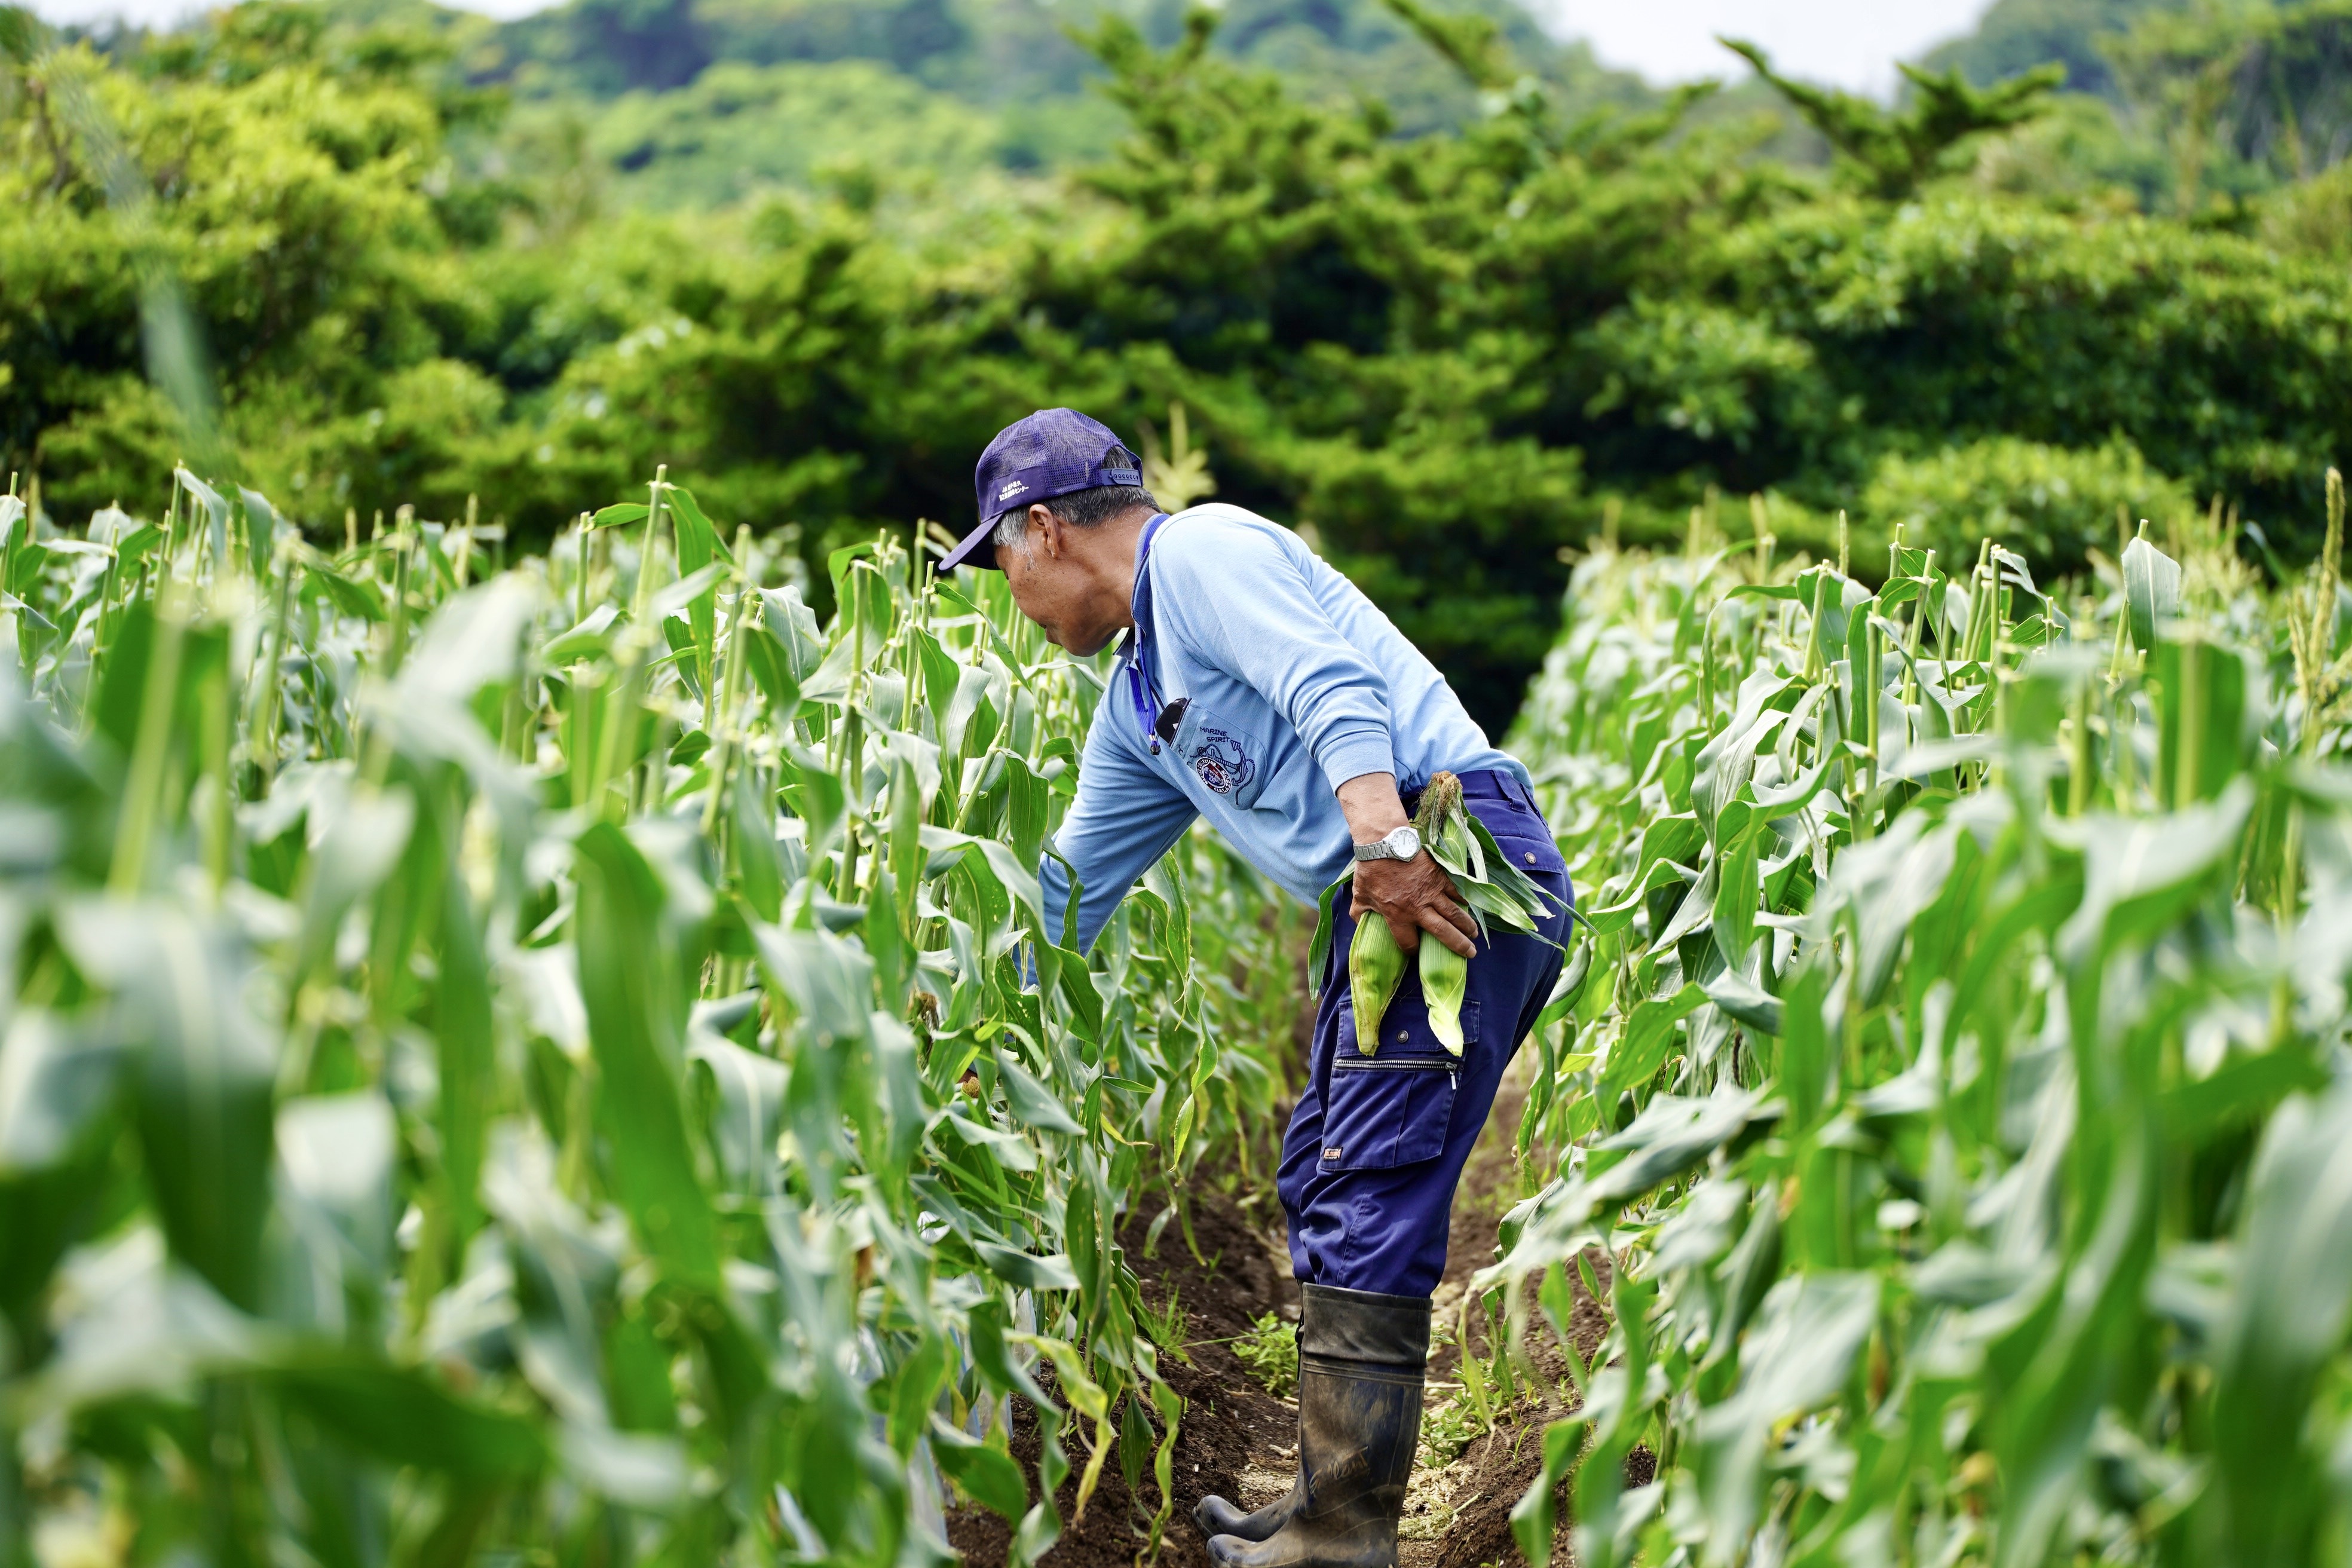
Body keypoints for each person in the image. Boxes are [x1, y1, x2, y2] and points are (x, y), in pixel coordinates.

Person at [942, 409, 1573, 1568]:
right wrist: (961, 1012)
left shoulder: (1202, 556)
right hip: (1388, 885)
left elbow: (1332, 683)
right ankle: (1326, 1500)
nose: (1012, 602)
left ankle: (1341, 1539)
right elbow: (1073, 884)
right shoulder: (1139, 699)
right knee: (1322, 1169)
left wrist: (1386, 849)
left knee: (1368, 1180)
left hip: (1441, 857)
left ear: (1042, 531)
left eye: (1001, 568)